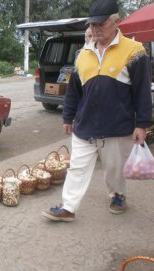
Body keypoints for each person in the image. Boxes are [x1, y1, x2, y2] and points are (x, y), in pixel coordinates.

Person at [42, 0, 152, 222]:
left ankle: (118, 195)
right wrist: (68, 116)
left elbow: (142, 91)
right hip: (85, 124)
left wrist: (142, 123)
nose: (95, 29)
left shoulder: (135, 51)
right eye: (92, 25)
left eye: (101, 24)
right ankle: (68, 208)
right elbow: (74, 91)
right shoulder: (83, 54)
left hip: (118, 126)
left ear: (116, 21)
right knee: (77, 168)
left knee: (115, 168)